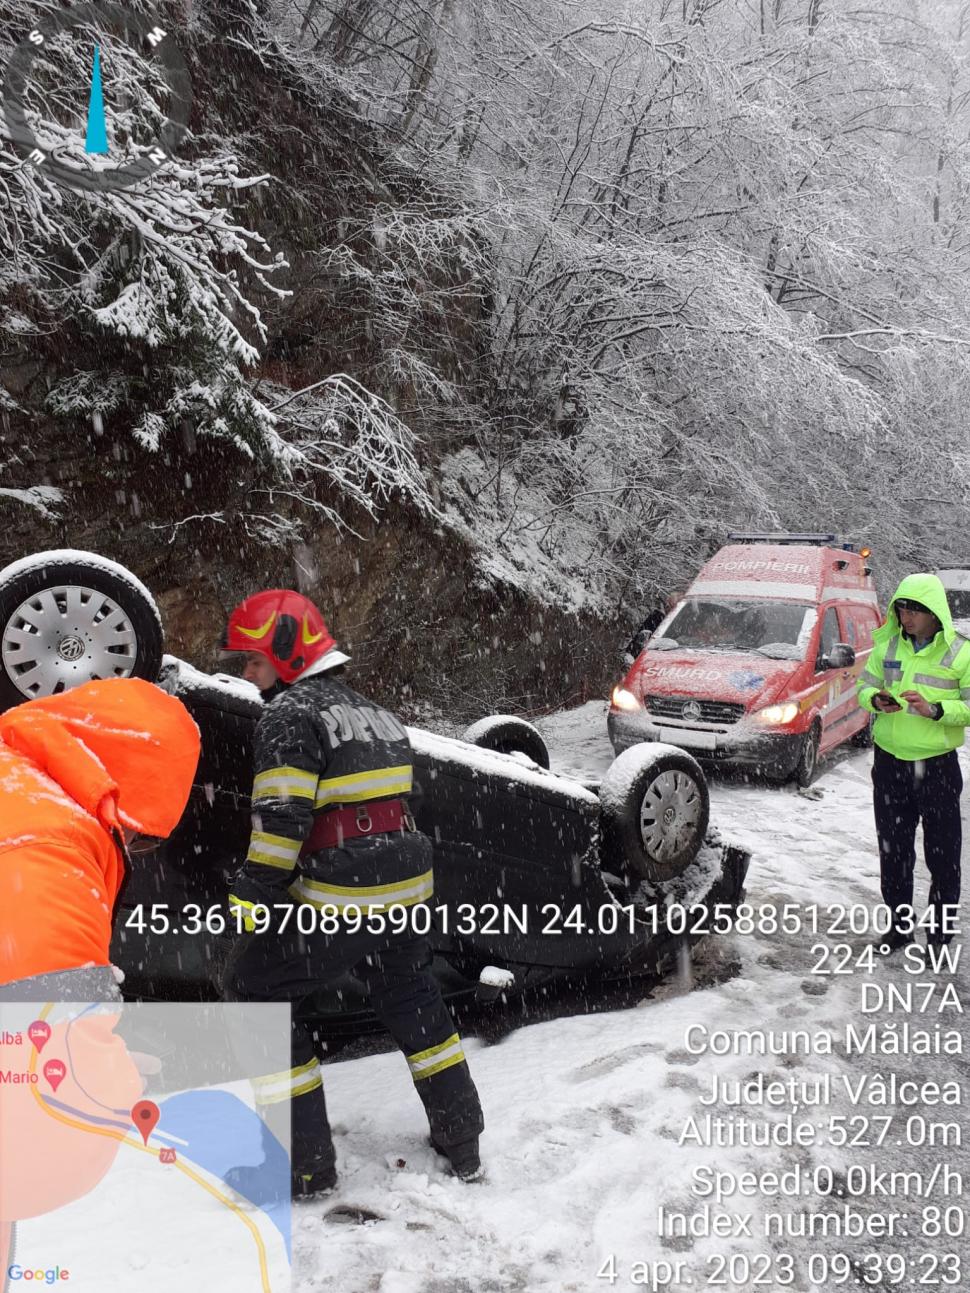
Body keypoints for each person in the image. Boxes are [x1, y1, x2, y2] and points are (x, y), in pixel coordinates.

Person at [220, 589, 484, 1197]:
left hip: (345, 892)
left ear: (288, 652)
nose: (246, 674)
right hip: (407, 886)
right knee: (410, 994)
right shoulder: (378, 714)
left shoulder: (288, 715)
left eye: (253, 660)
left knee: (251, 988)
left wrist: (251, 891)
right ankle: (461, 1140)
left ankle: (302, 1168)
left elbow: (282, 818)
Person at [0, 678, 200, 998]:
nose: (131, 847)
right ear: (127, 802)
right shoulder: (56, 849)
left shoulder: (18, 781)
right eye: (143, 836)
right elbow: (59, 1030)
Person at [856, 574, 970, 952]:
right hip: (890, 765)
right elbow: (864, 687)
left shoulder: (961, 652)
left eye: (915, 610)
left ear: (935, 613)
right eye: (902, 608)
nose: (906, 616)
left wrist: (936, 709)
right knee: (894, 852)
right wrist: (876, 700)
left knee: (943, 856)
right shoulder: (887, 646)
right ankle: (899, 927)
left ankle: (939, 936)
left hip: (936, 768)